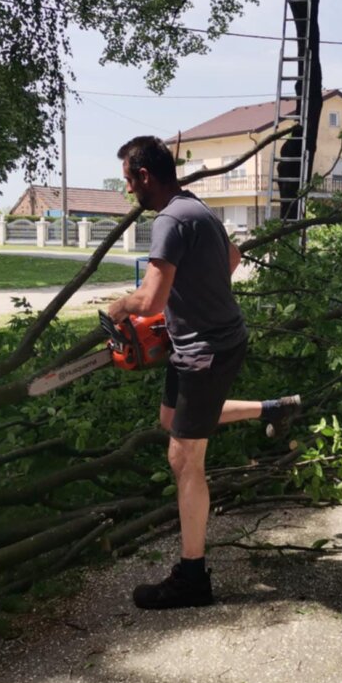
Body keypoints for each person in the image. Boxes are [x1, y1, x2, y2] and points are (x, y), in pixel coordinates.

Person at [106, 136, 301, 610]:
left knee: (184, 459)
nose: (128, 189)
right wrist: (191, 304)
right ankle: (273, 409)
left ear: (145, 176)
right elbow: (231, 260)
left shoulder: (171, 219)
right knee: (173, 421)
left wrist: (119, 307)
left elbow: (149, 299)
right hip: (206, 339)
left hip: (205, 350)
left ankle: (192, 578)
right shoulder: (197, 209)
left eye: (129, 180)